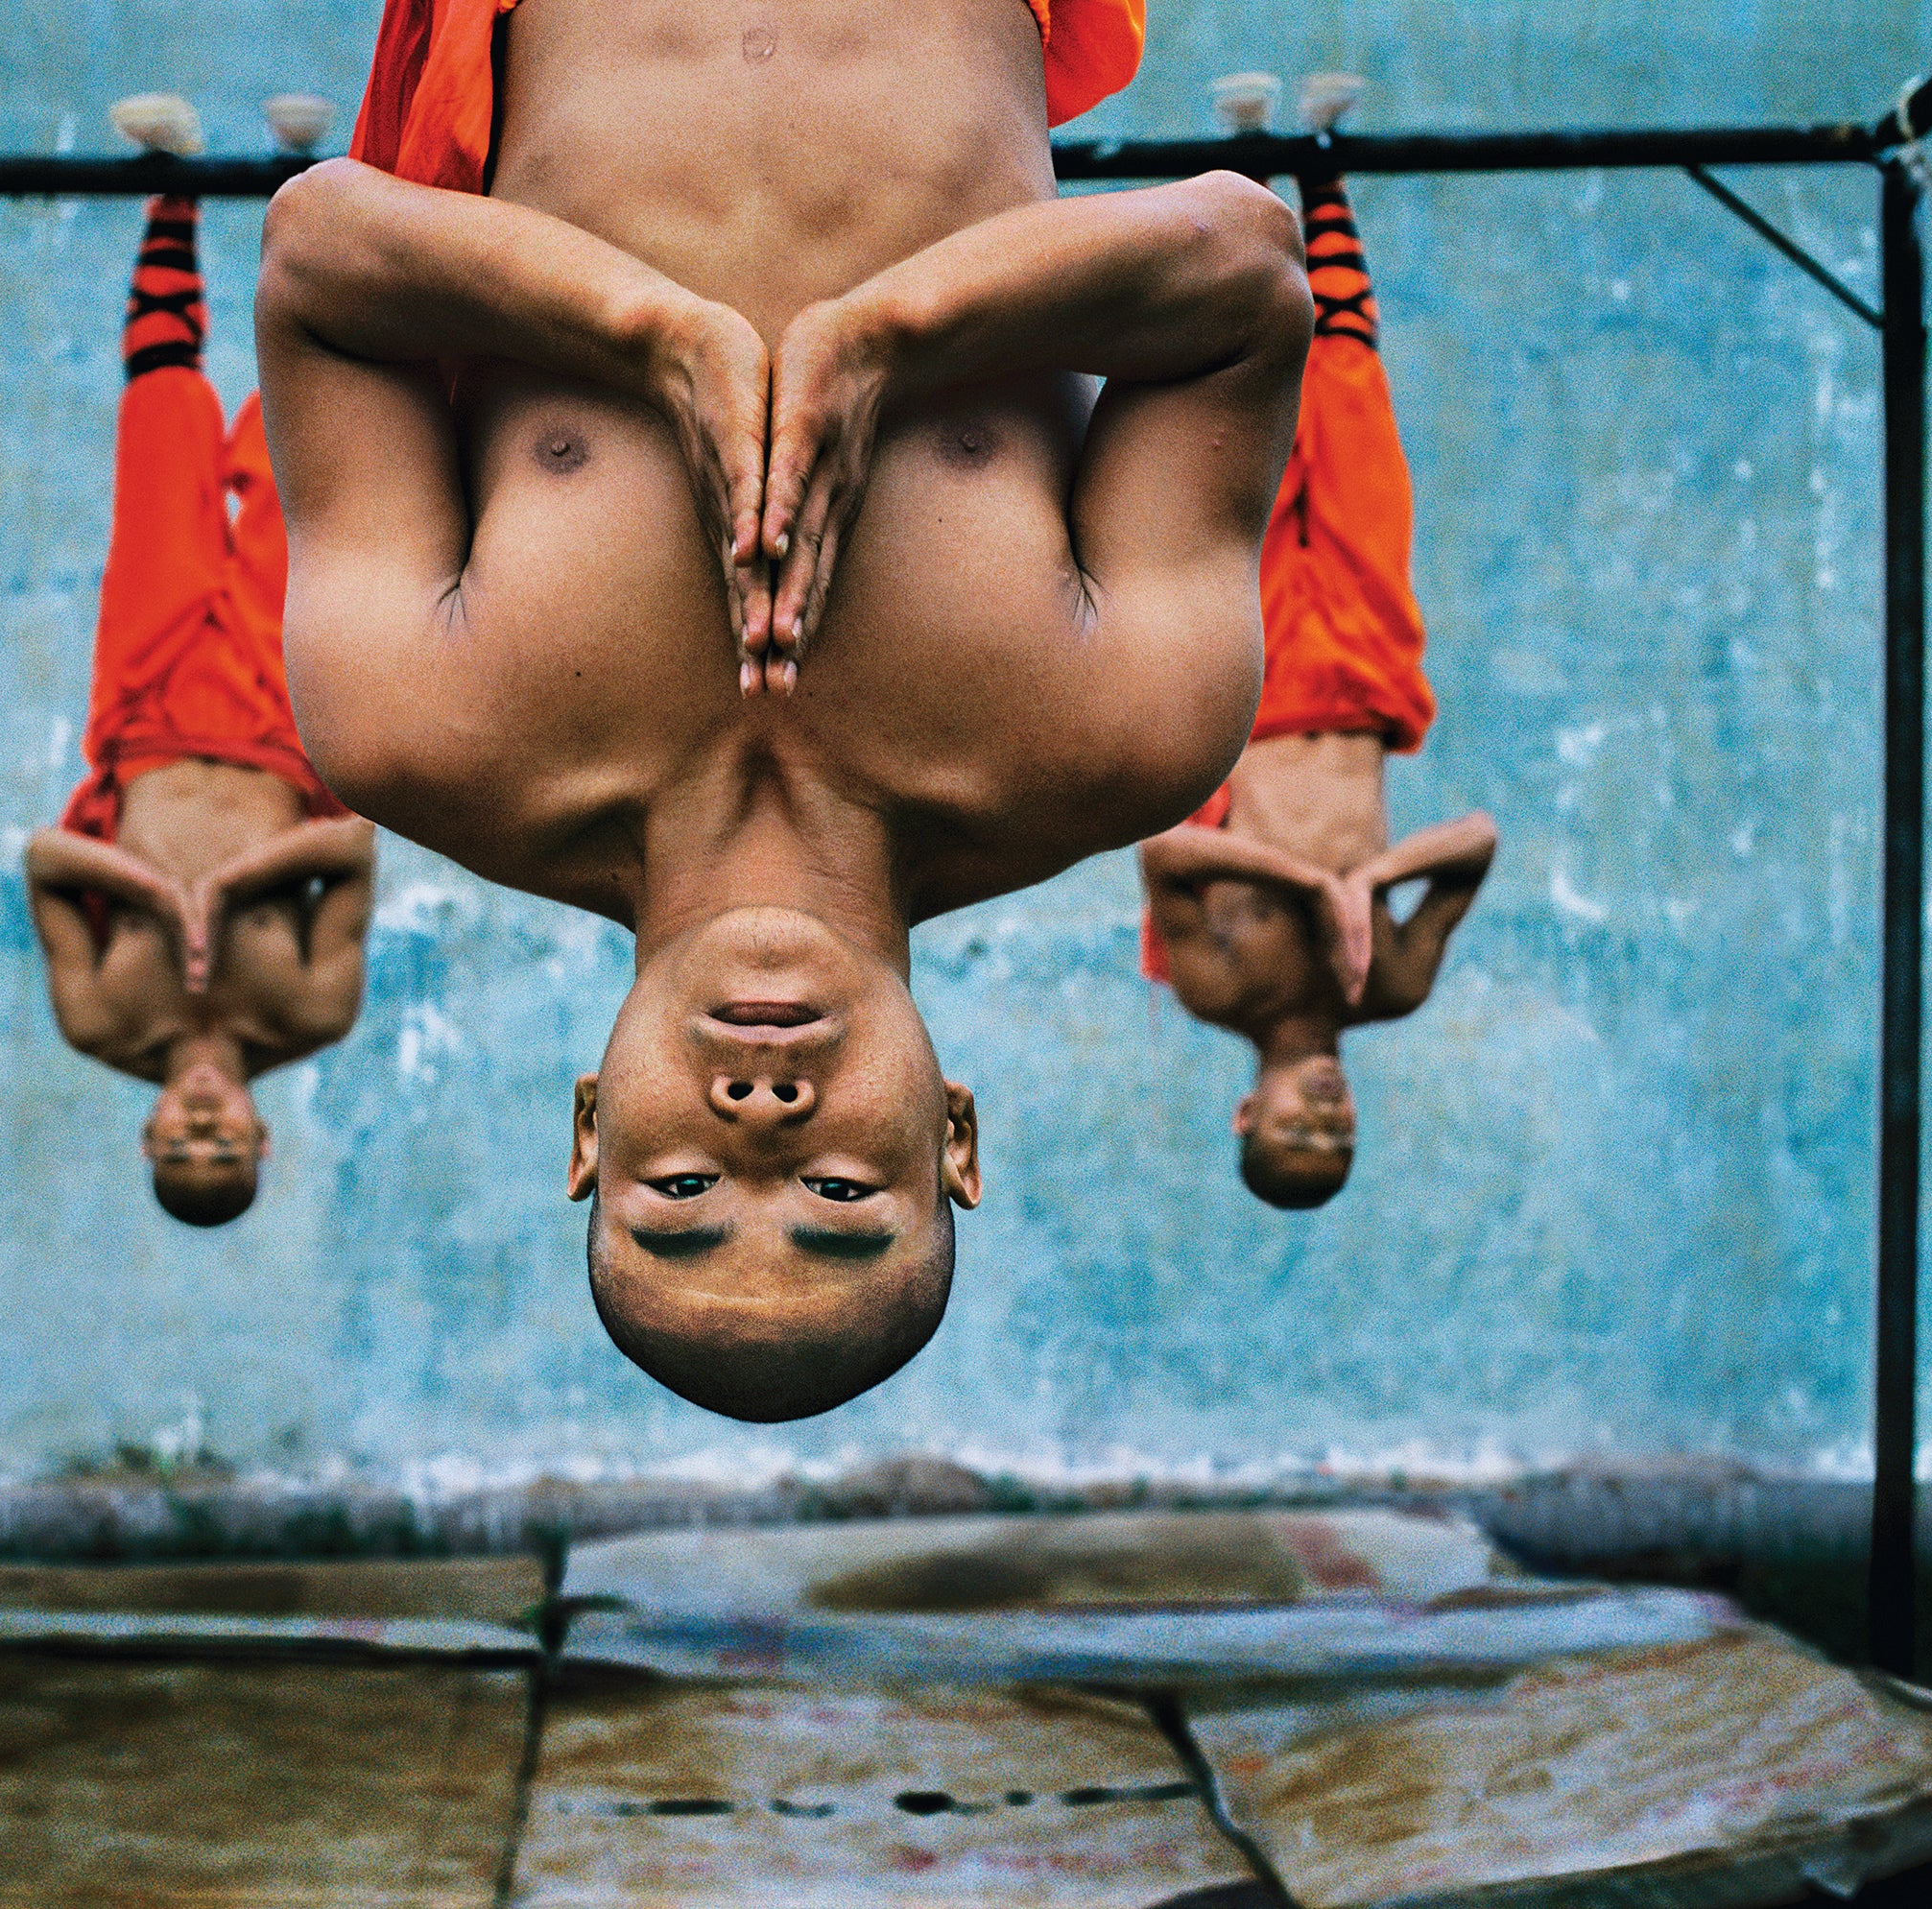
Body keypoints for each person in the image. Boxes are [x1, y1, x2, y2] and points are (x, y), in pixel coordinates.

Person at [256, 0, 1308, 1418]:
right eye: (839, 1191)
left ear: (586, 1129)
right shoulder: (1124, 733)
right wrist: (890, 336)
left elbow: (318, 250)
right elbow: (1243, 268)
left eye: (680, 1190)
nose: (759, 1126)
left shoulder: (415, 728)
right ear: (955, 1142)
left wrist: (649, 336)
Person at [1136, 75, 1496, 1213]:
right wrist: (1372, 883)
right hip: (1365, 672)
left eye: (1298, 1129)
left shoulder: (1216, 988)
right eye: (1339, 1137)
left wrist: (1305, 880)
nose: (1326, 1114)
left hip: (1247, 675)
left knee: (1240, 431)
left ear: (1249, 1112)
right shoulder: (1387, 983)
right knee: (1348, 410)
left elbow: (1165, 859)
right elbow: (1478, 842)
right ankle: (1323, 163)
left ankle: (1241, 169)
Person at [23, 98, 377, 1229]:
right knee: (292, 462)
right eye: (225, 1144)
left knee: (163, 454)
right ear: (261, 1136)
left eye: (184, 1142)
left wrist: (156, 894)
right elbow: (357, 847)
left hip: (148, 713)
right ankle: (302, 183)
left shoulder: (100, 1021)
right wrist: (226, 892)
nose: (204, 1123)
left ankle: (168, 197)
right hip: (282, 717)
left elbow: (41, 861)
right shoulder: (314, 1011)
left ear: (152, 1130)